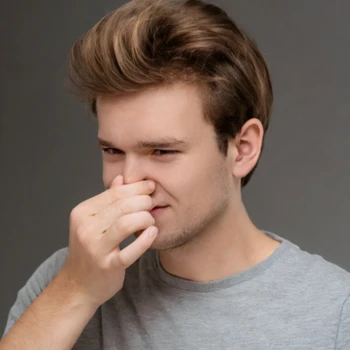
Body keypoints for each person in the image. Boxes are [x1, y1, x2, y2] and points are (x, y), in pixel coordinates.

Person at [1, 0, 350, 349]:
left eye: (162, 151)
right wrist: (74, 292)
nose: (129, 180)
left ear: (242, 148)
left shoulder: (335, 312)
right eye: (113, 151)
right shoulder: (68, 278)